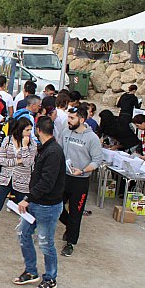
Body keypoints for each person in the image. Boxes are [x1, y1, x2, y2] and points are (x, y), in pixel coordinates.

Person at [14, 116, 64, 288]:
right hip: (37, 203)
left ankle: (50, 278)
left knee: (45, 242)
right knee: (23, 234)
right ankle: (31, 271)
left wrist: (28, 198)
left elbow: (47, 182)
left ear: (38, 131)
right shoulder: (45, 148)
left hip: (48, 207)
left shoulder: (53, 152)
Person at [0, 117, 37, 245]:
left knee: (27, 207)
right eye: (27, 130)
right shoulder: (7, 140)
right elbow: (1, 160)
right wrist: (17, 161)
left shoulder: (32, 144)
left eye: (31, 130)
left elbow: (28, 162)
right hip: (5, 179)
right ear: (20, 130)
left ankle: (31, 232)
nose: (29, 133)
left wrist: (24, 148)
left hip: (22, 181)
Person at [57, 106, 103, 257]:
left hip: (80, 181)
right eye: (68, 117)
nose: (68, 121)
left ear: (82, 120)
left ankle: (70, 242)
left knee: (76, 213)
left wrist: (82, 170)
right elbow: (59, 150)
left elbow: (97, 161)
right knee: (56, 206)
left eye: (72, 118)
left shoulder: (92, 138)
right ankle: (70, 226)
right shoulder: (65, 132)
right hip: (64, 177)